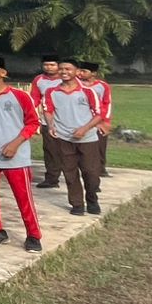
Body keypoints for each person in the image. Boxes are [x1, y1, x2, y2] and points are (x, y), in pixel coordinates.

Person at [0, 53, 45, 252]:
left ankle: (33, 235)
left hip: (16, 156)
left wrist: (15, 143)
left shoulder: (20, 96)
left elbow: (33, 122)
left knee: (23, 197)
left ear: (3, 72)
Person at [44, 61, 103, 216]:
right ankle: (77, 204)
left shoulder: (88, 92)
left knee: (91, 172)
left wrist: (84, 129)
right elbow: (48, 110)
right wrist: (51, 125)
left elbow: (98, 114)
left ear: (77, 71)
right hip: (64, 138)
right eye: (61, 69)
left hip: (87, 139)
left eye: (68, 69)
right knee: (70, 172)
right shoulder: (51, 92)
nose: (64, 72)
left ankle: (92, 199)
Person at [28, 55, 63, 189]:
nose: (49, 67)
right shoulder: (39, 80)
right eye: (46, 65)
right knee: (50, 151)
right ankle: (52, 179)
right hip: (47, 121)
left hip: (69, 122)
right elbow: (34, 98)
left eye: (52, 65)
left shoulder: (67, 79)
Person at [76, 60, 114, 176]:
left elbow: (107, 103)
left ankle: (101, 168)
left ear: (93, 73)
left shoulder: (102, 86)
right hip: (81, 119)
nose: (81, 73)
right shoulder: (77, 85)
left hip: (99, 120)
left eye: (84, 71)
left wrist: (105, 121)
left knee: (100, 146)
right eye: (80, 71)